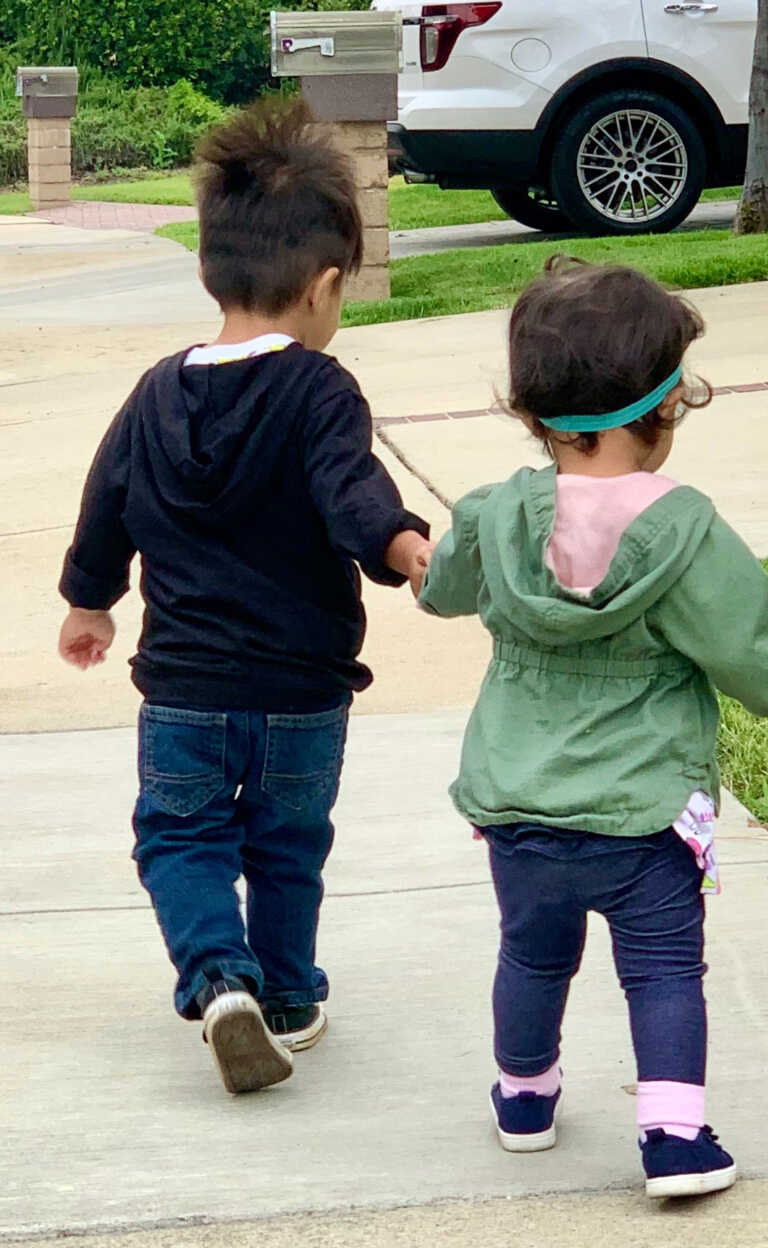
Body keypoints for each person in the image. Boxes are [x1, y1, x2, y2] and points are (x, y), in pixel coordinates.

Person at [418, 258, 768, 1197]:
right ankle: (674, 1139)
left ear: (534, 416)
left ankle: (523, 1097)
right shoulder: (687, 532)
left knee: (532, 953)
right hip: (643, 814)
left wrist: (431, 561)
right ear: (662, 413)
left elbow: (444, 588)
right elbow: (748, 643)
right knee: (662, 969)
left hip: (520, 804)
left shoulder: (498, 516)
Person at [57, 97, 432, 1095]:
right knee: (287, 841)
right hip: (303, 691)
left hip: (183, 686)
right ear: (321, 287)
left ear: (206, 269)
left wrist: (89, 603)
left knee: (179, 835)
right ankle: (291, 997)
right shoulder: (320, 390)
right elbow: (353, 494)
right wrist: (401, 547)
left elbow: (108, 503)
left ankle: (218, 977)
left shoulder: (155, 392)